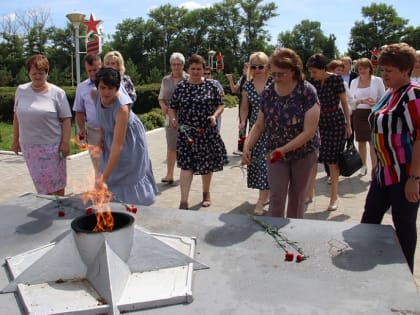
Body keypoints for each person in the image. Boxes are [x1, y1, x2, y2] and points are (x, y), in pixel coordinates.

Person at [361, 43, 420, 273]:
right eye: (383, 70)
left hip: (405, 172)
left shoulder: (413, 94)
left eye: (389, 71)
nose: (384, 75)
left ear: (406, 70)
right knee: (369, 219)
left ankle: (405, 275)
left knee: (404, 225)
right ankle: (365, 262)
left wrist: (414, 177)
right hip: (384, 171)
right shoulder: (390, 93)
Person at [242, 48, 320, 218]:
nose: (276, 78)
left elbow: (309, 131)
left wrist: (283, 150)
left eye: (281, 74)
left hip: (303, 152)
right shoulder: (269, 93)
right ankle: (274, 232)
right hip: (275, 152)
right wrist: (247, 146)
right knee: (277, 196)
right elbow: (259, 125)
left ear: (293, 71)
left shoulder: (307, 91)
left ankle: (292, 233)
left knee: (296, 197)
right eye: (274, 73)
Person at [168, 54, 227, 210]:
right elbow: (172, 107)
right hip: (187, 134)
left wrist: (215, 115)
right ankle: (184, 201)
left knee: (207, 166)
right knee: (186, 166)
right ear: (188, 69)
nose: (195, 72)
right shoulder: (181, 87)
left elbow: (221, 104)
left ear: (203, 70)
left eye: (198, 69)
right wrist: (173, 119)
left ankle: (206, 193)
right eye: (193, 69)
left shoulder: (212, 86)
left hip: (207, 132)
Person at [93, 67, 158, 205]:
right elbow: (101, 117)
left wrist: (103, 178)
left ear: (117, 88)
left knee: (125, 172)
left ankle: (134, 206)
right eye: (103, 87)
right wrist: (100, 139)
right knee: (106, 167)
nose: (106, 92)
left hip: (128, 139)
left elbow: (118, 146)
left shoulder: (122, 107)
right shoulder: (94, 94)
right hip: (110, 135)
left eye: (111, 88)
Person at [12, 54, 72, 196]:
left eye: (41, 73)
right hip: (30, 147)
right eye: (34, 73)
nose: (37, 77)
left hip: (52, 147)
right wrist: (15, 140)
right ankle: (46, 209)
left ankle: (58, 210)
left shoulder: (57, 93)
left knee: (56, 184)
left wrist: (65, 143)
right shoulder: (21, 90)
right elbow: (16, 117)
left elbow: (66, 120)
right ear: (29, 73)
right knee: (41, 184)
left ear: (47, 72)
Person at [306, 53, 352, 211]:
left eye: (314, 71)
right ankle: (309, 193)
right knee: (313, 158)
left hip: (336, 123)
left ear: (323, 69)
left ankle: (334, 197)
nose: (312, 75)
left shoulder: (336, 79)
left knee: (332, 161)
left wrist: (348, 124)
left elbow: (344, 103)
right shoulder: (312, 82)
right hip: (318, 123)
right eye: (311, 72)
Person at [239, 52, 272, 215]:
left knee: (268, 163)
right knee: (258, 163)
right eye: (254, 66)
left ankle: (261, 200)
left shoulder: (274, 82)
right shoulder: (247, 85)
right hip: (255, 128)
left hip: (273, 128)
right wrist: (242, 121)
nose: (257, 69)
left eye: (261, 66)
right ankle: (264, 194)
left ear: (267, 67)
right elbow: (244, 107)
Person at [349, 57, 386, 175]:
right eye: (360, 68)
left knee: (372, 142)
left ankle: (374, 167)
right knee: (360, 142)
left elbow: (384, 97)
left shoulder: (377, 80)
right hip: (359, 114)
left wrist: (376, 103)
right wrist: (361, 101)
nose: (362, 70)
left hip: (373, 114)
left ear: (370, 68)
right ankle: (363, 165)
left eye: (364, 67)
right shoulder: (354, 82)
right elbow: (351, 100)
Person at [158, 52, 189, 185]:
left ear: (183, 65)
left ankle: (187, 173)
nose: (176, 67)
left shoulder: (189, 78)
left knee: (187, 146)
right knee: (171, 146)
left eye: (179, 64)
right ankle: (169, 174)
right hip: (170, 118)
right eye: (174, 64)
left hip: (186, 117)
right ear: (171, 65)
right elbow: (161, 98)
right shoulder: (166, 80)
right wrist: (164, 107)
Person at [73, 54, 102, 178]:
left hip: (112, 130)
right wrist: (82, 131)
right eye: (89, 70)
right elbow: (79, 111)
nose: (92, 73)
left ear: (101, 66)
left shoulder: (112, 83)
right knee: (97, 165)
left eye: (95, 70)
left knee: (115, 163)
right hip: (93, 131)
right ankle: (101, 192)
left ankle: (116, 193)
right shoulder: (82, 87)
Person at [226, 62, 249, 155]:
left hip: (254, 105)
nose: (244, 69)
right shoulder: (242, 78)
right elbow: (234, 90)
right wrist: (231, 80)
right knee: (242, 126)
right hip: (243, 105)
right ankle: (241, 148)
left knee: (253, 126)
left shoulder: (255, 78)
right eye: (244, 68)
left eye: (246, 68)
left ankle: (251, 147)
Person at [204, 66, 225, 132]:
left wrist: (214, 95)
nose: (207, 75)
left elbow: (222, 94)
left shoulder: (216, 83)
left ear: (211, 75)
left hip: (215, 110)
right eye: (205, 74)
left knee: (216, 130)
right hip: (204, 111)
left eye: (208, 74)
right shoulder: (200, 83)